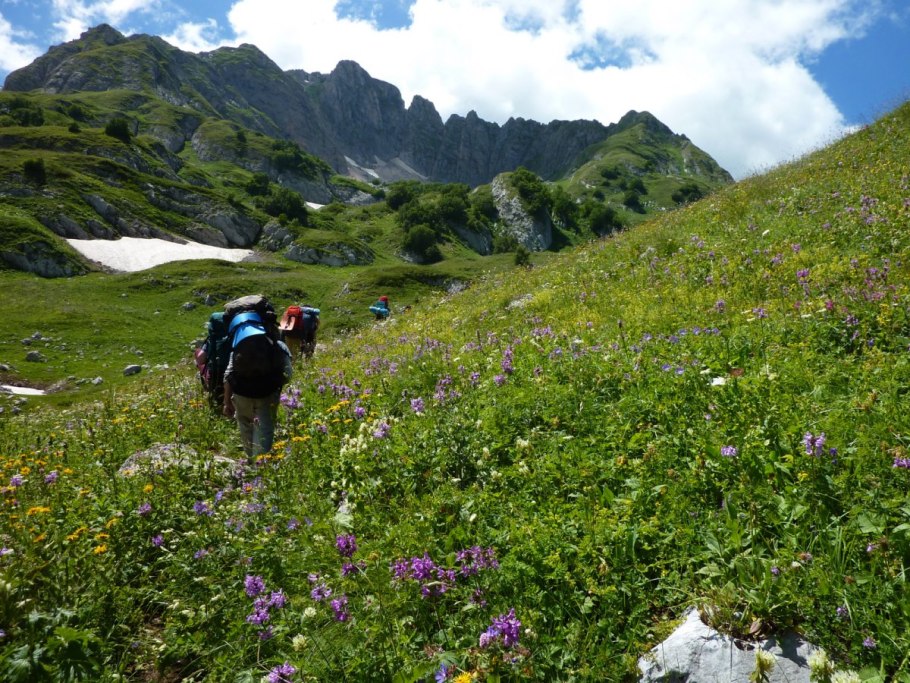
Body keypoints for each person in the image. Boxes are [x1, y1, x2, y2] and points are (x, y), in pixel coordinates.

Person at [222, 311, 293, 458]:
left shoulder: (238, 347)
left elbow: (228, 375)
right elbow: (288, 374)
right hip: (266, 393)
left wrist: (226, 401)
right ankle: (261, 468)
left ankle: (250, 461)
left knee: (246, 425)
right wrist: (276, 386)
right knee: (264, 429)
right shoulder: (277, 345)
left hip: (241, 393)